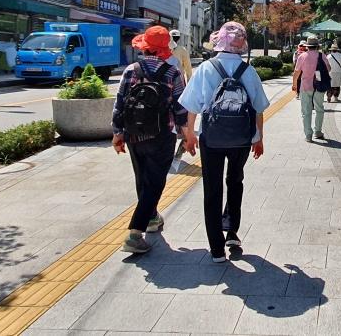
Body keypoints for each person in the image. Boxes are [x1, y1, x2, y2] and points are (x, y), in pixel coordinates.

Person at [180, 21, 270, 263]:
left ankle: (217, 249)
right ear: (242, 45)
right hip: (241, 138)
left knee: (212, 188)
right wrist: (258, 138)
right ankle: (231, 231)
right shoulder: (248, 71)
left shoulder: (206, 68)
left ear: (218, 42)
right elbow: (259, 108)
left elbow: (191, 106)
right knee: (235, 180)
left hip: (211, 137)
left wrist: (190, 134)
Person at [111, 26, 187, 254]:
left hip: (134, 133)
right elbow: (180, 108)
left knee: (142, 179)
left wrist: (117, 132)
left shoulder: (131, 70)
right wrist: (185, 134)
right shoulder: (173, 73)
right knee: (155, 182)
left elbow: (120, 102)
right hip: (162, 134)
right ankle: (135, 233)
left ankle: (151, 217)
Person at [294, 34, 330, 142]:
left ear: (307, 46)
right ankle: (318, 132)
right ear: (317, 46)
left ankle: (308, 135)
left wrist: (294, 84)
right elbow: (329, 68)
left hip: (305, 87)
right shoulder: (321, 55)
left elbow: (297, 72)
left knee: (306, 111)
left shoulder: (302, 56)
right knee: (319, 109)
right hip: (319, 86)